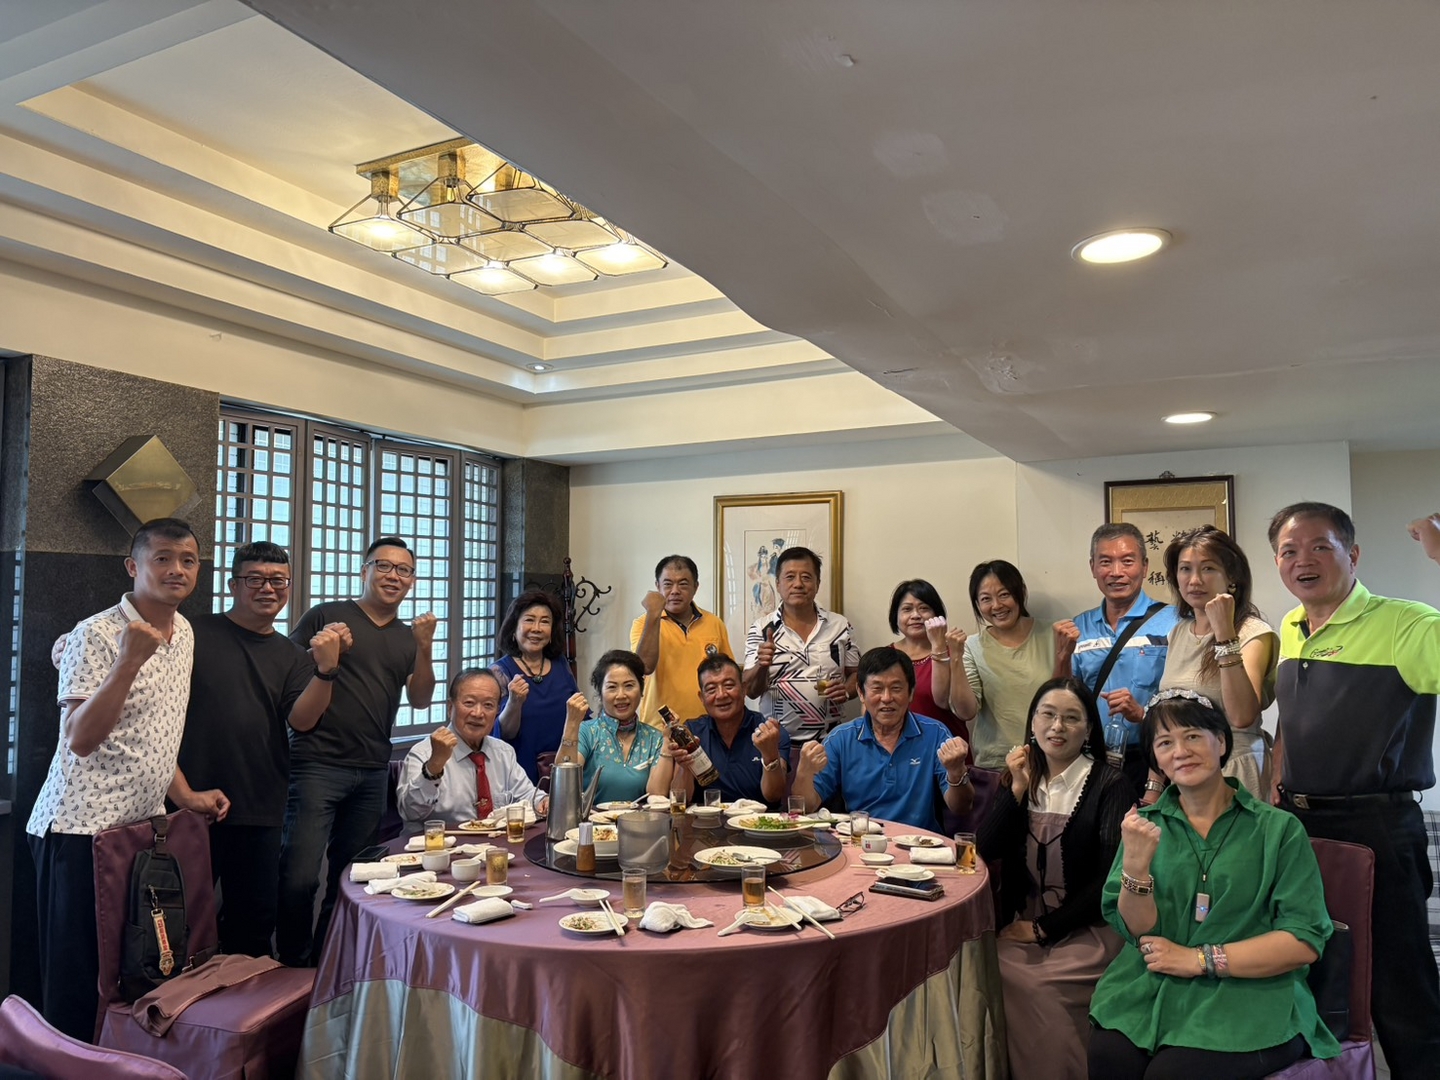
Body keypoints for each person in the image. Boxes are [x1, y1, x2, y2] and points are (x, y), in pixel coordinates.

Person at [26, 518, 229, 1040]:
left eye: (188, 560)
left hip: (142, 830)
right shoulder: (95, 634)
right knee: (78, 981)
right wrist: (127, 662)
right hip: (80, 830)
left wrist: (186, 795)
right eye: (162, 558)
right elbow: (80, 738)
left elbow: (155, 729)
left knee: (136, 967)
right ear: (133, 567)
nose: (177, 569)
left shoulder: (184, 631)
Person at [1268, 501, 1440, 1079]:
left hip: (1377, 826)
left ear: (1353, 554)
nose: (1304, 561)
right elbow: (1292, 722)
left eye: (1321, 546)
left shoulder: (1405, 623)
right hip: (1301, 826)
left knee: (1399, 980)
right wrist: (1277, 783)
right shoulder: (1291, 627)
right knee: (1318, 968)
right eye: (1289, 551)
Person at [1088, 691, 1340, 1079]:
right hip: (1153, 986)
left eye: (1192, 736)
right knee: (1109, 1055)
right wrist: (1136, 866)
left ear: (1220, 742)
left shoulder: (1277, 829)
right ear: (1155, 758)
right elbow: (1140, 932)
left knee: (1174, 1074)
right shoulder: (1143, 826)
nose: (1180, 752)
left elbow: (1303, 940)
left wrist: (1199, 959)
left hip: (1252, 993)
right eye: (1165, 743)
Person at [177, 541, 350, 957]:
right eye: (254, 579)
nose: (268, 588)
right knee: (178, 923)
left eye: (278, 581)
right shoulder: (191, 632)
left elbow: (302, 721)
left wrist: (327, 670)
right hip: (185, 803)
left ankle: (242, 1000)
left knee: (252, 927)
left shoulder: (292, 656)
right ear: (233, 585)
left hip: (258, 803)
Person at [276, 536, 436, 966]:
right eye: (383, 566)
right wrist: (325, 654)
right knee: (299, 875)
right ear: (364, 571)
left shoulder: (407, 637)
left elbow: (421, 698)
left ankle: (329, 962)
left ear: (412, 581)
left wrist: (424, 646)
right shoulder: (327, 615)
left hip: (372, 769)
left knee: (352, 878)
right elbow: (287, 670)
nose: (393, 576)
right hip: (315, 763)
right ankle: (292, 963)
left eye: (404, 570)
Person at [976, 677, 1131, 1080]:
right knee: (983, 968)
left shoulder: (1110, 784)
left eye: (1071, 718)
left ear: (1089, 730)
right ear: (1032, 723)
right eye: (1047, 715)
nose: (1057, 726)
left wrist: (1042, 929)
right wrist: (1016, 788)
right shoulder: (1021, 776)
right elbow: (983, 850)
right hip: (1025, 921)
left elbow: (1108, 881)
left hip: (1088, 927)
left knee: (1035, 985)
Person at [1054, 523, 1178, 795]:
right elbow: (1062, 699)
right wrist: (1062, 657)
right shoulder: (1078, 627)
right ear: (1093, 567)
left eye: (1127, 561)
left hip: (1156, 758)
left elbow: (1187, 700)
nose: (1116, 572)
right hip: (1092, 759)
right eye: (1105, 562)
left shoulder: (1174, 622)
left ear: (1144, 566)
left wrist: (1143, 714)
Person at [792, 646, 974, 830]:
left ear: (911, 692)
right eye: (877, 688)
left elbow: (961, 807)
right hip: (860, 839)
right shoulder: (841, 739)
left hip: (920, 842)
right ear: (861, 693)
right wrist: (804, 772)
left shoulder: (935, 734)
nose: (886, 698)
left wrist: (956, 771)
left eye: (896, 688)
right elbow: (806, 808)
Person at [1155, 526, 1276, 801]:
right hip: (1187, 771)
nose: (1195, 580)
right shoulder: (1178, 633)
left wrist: (1224, 632)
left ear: (1231, 577)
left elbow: (1242, 716)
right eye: (1185, 569)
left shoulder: (1253, 632)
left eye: (1208, 568)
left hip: (1236, 770)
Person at [947, 560, 1056, 826]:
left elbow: (1067, 695)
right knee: (998, 846)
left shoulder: (1053, 633)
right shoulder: (972, 646)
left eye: (1004, 594)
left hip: (1051, 765)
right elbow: (966, 711)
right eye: (986, 599)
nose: (996, 605)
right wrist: (955, 658)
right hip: (997, 769)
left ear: (1020, 593)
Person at [397, 668, 548, 831]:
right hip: (439, 843)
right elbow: (410, 813)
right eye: (469, 703)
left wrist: (543, 801)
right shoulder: (424, 753)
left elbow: (527, 795)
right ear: (450, 707)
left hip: (494, 842)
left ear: (497, 712)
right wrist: (434, 766)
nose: (478, 713)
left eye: (488, 705)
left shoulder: (503, 752)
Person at [742, 546, 858, 748]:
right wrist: (762, 665)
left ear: (817, 583)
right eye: (790, 577)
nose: (798, 584)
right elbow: (750, 691)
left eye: (806, 577)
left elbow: (858, 674)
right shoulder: (761, 628)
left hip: (831, 742)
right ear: (778, 584)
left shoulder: (840, 625)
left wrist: (847, 691)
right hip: (777, 744)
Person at [647, 655, 789, 807]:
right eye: (711, 689)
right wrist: (685, 767)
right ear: (701, 698)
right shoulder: (692, 732)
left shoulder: (768, 732)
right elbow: (681, 800)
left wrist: (770, 755)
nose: (721, 695)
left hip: (757, 820)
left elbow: (773, 795)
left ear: (744, 689)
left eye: (728, 686)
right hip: (705, 819)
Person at [630, 555, 732, 730]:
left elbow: (727, 674)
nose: (675, 591)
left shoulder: (714, 623)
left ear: (695, 587)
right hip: (659, 728)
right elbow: (644, 667)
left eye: (683, 584)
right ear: (657, 587)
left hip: (708, 728)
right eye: (668, 584)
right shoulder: (642, 623)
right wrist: (653, 613)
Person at [554, 649, 665, 805]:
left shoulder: (655, 738)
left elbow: (658, 796)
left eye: (629, 686)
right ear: (600, 693)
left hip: (639, 819)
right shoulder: (586, 731)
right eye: (612, 687)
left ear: (641, 690)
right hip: (591, 819)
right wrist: (571, 724)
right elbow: (563, 787)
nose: (621, 695)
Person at [493, 588, 581, 783]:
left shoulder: (561, 664)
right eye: (529, 620)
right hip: (519, 773)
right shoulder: (499, 672)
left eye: (545, 621)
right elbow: (503, 734)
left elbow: (579, 715)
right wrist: (514, 702)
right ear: (514, 628)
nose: (537, 628)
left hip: (562, 767)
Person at [887, 579, 963, 737]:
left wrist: (938, 645)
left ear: (937, 615)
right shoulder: (884, 656)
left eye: (924, 608)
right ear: (896, 616)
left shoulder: (955, 651)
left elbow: (943, 701)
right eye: (907, 609)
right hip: (897, 745)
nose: (916, 615)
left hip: (946, 744)